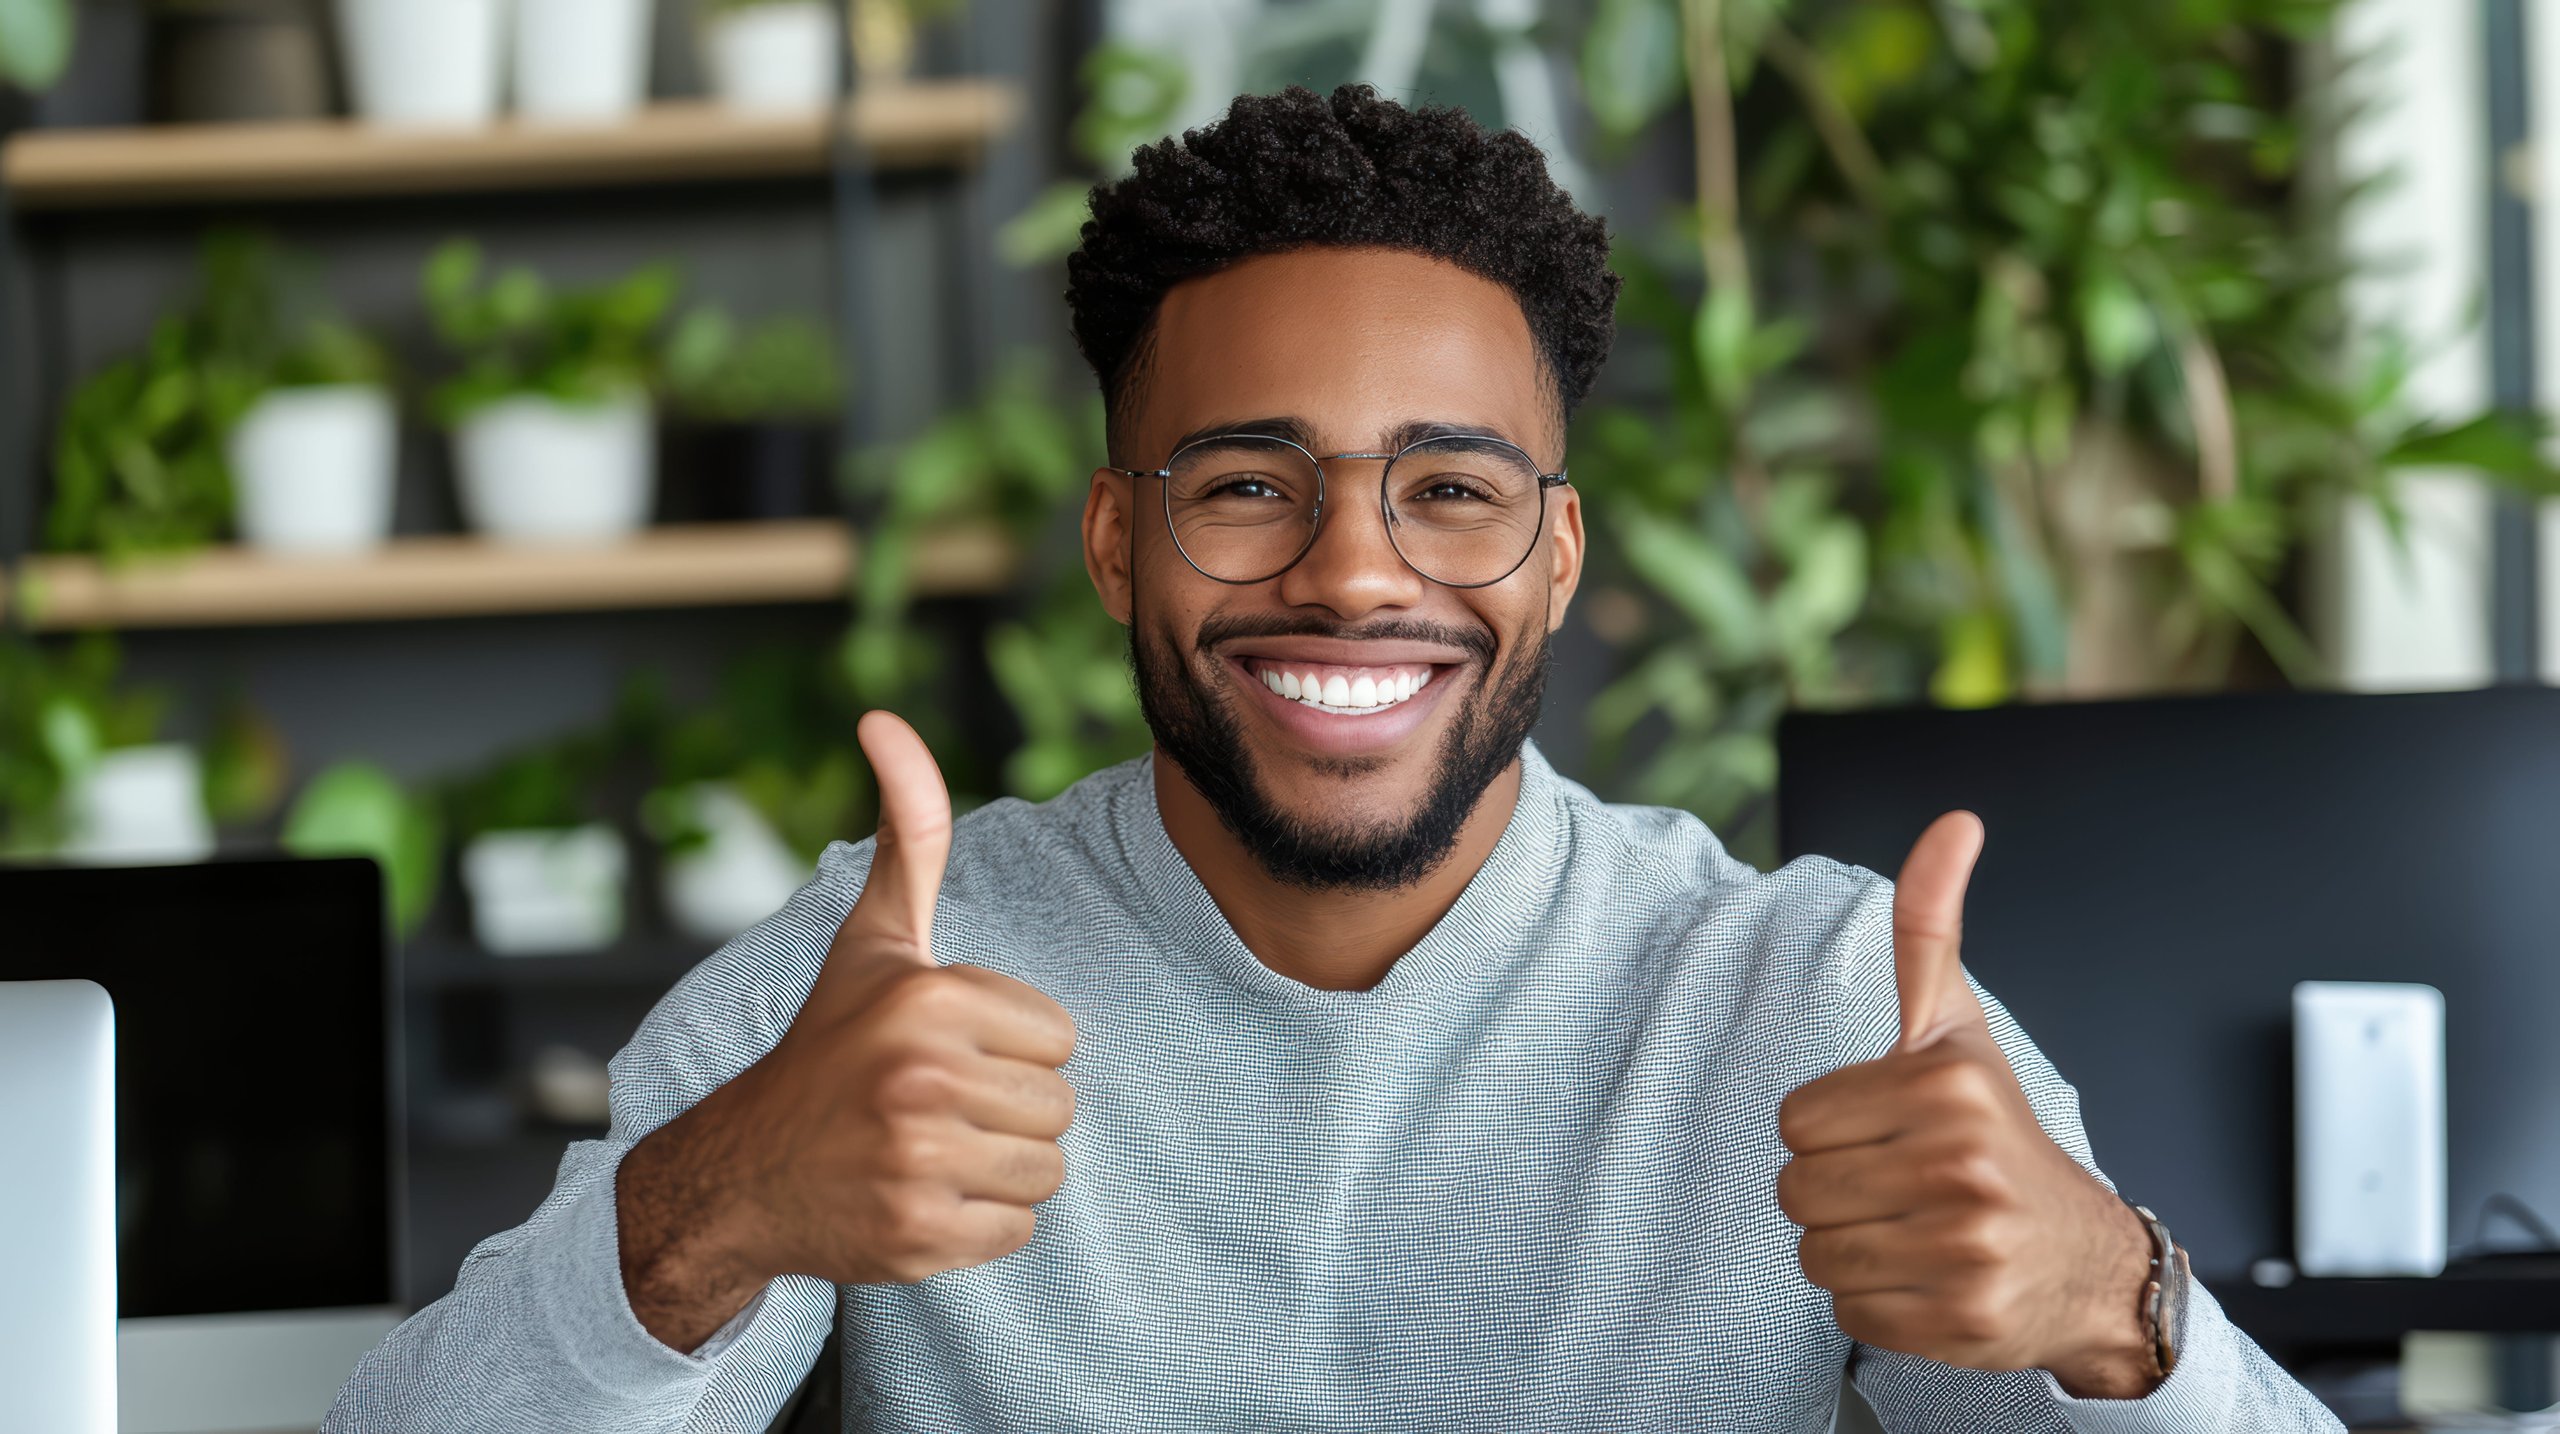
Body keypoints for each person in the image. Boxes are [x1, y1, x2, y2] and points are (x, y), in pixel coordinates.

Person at [327, 85, 2342, 1432]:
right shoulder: (891, 974)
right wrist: (703, 1220)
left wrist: (2116, 1312)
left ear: (1552, 561)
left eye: (1448, 491)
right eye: (1243, 483)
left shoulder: (1805, 1001)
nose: (1351, 571)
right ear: (1116, 540)